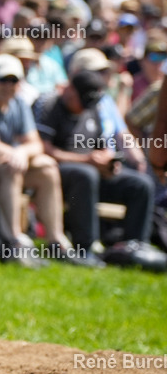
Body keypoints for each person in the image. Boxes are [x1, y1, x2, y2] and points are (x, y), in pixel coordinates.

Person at [0, 55, 91, 266]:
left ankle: (56, 241)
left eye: (14, 80)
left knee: (47, 168)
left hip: (5, 162)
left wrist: (21, 152)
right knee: (11, 167)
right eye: (3, 79)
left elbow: (36, 144)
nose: (9, 85)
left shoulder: (18, 103)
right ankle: (13, 241)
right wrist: (19, 153)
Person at [37, 69, 156, 252]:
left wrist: (108, 162)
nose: (84, 107)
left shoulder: (92, 107)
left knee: (141, 184)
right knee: (86, 174)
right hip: (59, 173)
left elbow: (101, 145)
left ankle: (135, 247)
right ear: (70, 89)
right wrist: (85, 160)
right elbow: (44, 148)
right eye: (81, 100)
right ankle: (86, 245)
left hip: (92, 170)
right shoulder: (50, 105)